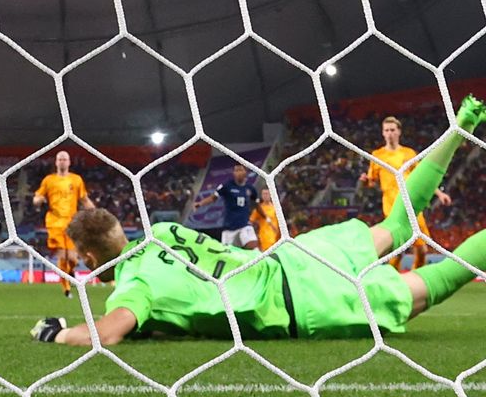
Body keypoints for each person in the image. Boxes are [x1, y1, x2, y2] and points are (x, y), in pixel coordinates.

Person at [31, 95, 486, 345]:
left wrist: (59, 334)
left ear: (90, 256)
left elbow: (110, 333)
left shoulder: (135, 286)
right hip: (299, 254)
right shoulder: (164, 232)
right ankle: (461, 123)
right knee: (400, 222)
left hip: (304, 302)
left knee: (443, 278)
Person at [360, 116, 452, 271]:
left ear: (399, 132)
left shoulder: (409, 153)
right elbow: (371, 181)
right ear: (383, 133)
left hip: (412, 203)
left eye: (392, 130)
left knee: (422, 250)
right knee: (399, 249)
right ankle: (392, 281)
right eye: (386, 130)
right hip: (392, 206)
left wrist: (439, 194)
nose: (389, 133)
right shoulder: (377, 155)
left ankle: (415, 279)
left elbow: (422, 177)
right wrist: (364, 182)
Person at [33, 151, 95, 298]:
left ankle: (70, 272)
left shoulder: (76, 180)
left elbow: (84, 200)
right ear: (56, 162)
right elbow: (38, 196)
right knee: (63, 256)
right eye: (59, 159)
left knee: (72, 259)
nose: (62, 161)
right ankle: (66, 288)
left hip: (72, 223)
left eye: (64, 159)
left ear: (69, 162)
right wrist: (37, 200)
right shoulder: (49, 180)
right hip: (54, 223)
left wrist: (96, 213)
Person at [193, 164, 264, 250]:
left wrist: (264, 217)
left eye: (240, 170)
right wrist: (200, 203)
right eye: (236, 170)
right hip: (229, 227)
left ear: (246, 172)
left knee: (254, 248)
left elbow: (256, 203)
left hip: (244, 225)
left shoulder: (250, 188)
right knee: (229, 255)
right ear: (233, 173)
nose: (238, 173)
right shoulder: (227, 186)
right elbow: (213, 198)